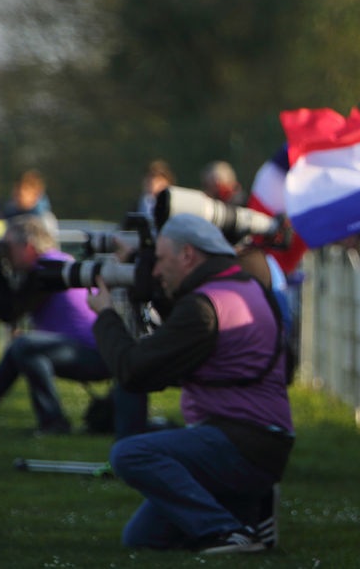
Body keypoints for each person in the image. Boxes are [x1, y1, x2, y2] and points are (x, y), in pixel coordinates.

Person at [87, 213, 292, 553]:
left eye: (161, 260)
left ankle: (229, 532)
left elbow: (133, 372)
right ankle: (252, 506)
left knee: (129, 454)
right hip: (261, 439)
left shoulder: (203, 306)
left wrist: (107, 315)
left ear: (187, 256)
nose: (154, 271)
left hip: (245, 442)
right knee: (141, 538)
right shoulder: (246, 286)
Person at [0, 215, 146, 436]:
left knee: (25, 347)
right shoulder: (57, 262)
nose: (6, 253)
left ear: (28, 246)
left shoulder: (48, 271)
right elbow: (12, 306)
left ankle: (50, 421)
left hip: (98, 356)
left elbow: (9, 311)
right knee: (23, 350)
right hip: (95, 352)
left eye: (9, 247)